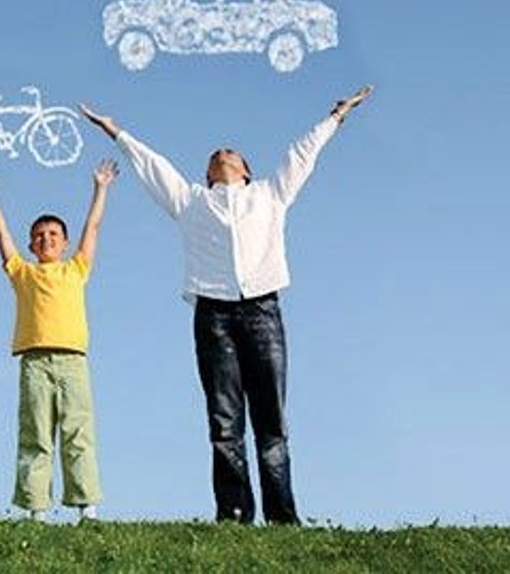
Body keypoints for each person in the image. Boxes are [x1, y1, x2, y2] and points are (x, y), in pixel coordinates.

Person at [78, 86, 373, 525]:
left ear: (247, 172)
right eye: (216, 154)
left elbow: (303, 152)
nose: (222, 153)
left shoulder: (271, 194)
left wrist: (337, 116)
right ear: (208, 173)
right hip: (213, 315)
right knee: (224, 422)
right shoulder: (192, 200)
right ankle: (234, 513)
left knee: (271, 421)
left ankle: (281, 516)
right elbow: (153, 166)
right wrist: (115, 131)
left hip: (263, 312)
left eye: (231, 152)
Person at [0, 160, 117, 523]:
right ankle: (36, 509)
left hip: (73, 362)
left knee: (78, 433)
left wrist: (100, 188)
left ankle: (88, 509)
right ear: (31, 243)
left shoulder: (77, 268)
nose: (47, 239)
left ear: (65, 242)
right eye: (39, 235)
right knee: (35, 434)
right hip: (34, 362)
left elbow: (94, 227)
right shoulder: (23, 272)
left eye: (54, 234)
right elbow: (1, 238)